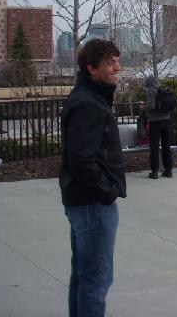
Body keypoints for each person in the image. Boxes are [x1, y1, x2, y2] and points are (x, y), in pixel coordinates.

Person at [59, 39, 126, 317]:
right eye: (110, 63)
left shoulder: (91, 98)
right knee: (96, 281)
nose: (117, 67)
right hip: (92, 205)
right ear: (91, 68)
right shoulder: (88, 104)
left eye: (117, 61)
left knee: (84, 277)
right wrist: (106, 191)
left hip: (84, 202)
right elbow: (81, 160)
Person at [144, 76, 173, 179]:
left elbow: (151, 106)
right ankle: (168, 170)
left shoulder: (151, 91)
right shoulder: (163, 91)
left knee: (154, 147)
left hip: (155, 122)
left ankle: (154, 171)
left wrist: (143, 107)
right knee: (166, 146)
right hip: (166, 120)